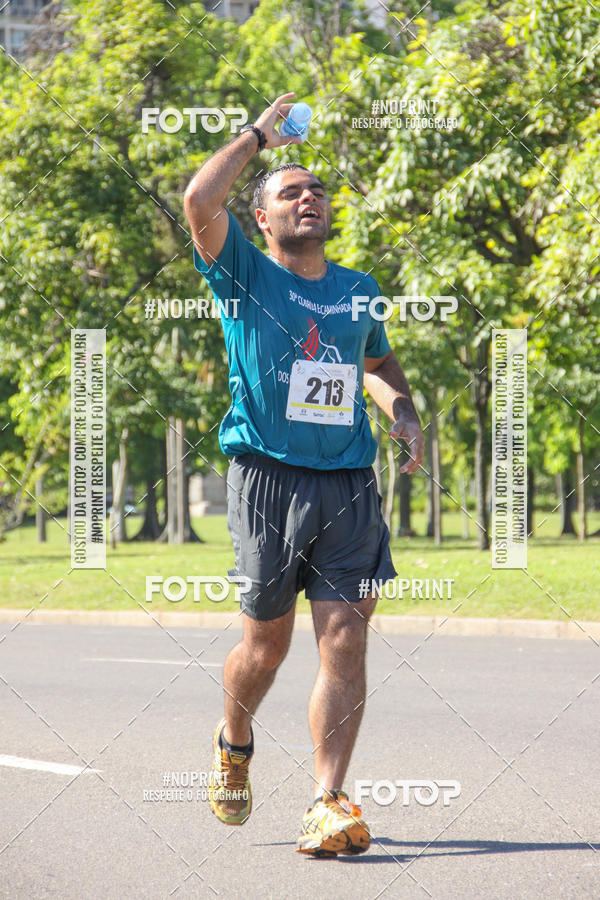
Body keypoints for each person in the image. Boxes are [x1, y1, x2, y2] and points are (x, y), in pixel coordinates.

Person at [183, 91, 424, 857]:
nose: (308, 197)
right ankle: (233, 738)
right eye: (290, 192)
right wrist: (258, 134)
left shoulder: (356, 287)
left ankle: (328, 800)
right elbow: (197, 198)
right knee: (266, 648)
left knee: (346, 640)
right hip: (266, 479)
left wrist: (403, 410)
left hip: (348, 480)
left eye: (316, 189)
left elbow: (376, 362)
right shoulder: (242, 270)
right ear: (262, 217)